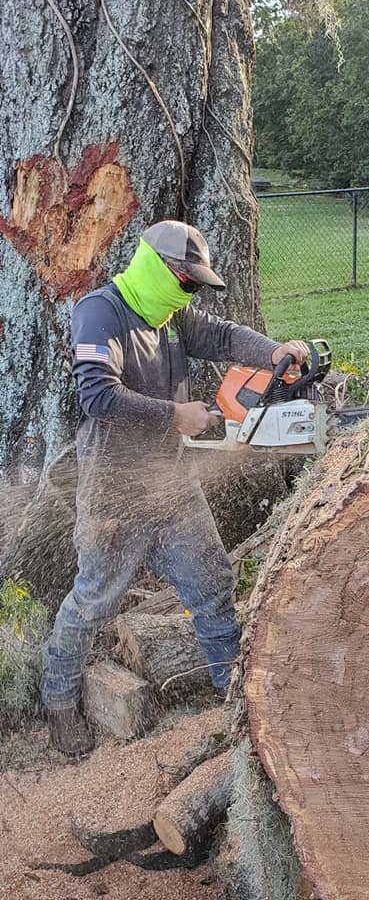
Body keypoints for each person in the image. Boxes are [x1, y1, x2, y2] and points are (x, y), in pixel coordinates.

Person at [41, 219, 308, 757]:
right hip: (113, 494)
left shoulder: (173, 317)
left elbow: (226, 337)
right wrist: (173, 415)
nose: (189, 293)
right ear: (161, 269)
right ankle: (59, 700)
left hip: (170, 485)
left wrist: (276, 352)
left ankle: (234, 698)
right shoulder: (100, 311)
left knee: (211, 579)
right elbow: (95, 395)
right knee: (93, 602)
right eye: (187, 282)